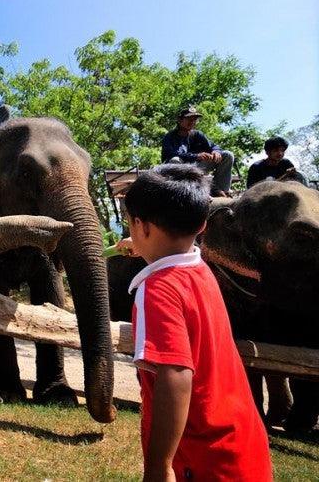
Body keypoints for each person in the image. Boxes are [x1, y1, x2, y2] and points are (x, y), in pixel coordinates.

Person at [116, 164, 271, 482]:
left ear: (141, 226)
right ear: (201, 224)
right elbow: (172, 251)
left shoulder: (156, 289)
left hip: (202, 462)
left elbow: (175, 374)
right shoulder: (200, 270)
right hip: (241, 447)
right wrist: (146, 247)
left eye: (131, 224)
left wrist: (159, 467)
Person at [161, 105, 235, 197]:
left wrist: (215, 151)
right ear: (180, 120)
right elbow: (171, 154)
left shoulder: (197, 134)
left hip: (197, 168)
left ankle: (222, 190)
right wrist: (196, 156)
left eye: (194, 119)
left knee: (227, 155)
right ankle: (187, 191)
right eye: (189, 119)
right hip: (178, 172)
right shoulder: (170, 137)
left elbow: (214, 146)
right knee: (175, 160)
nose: (192, 122)